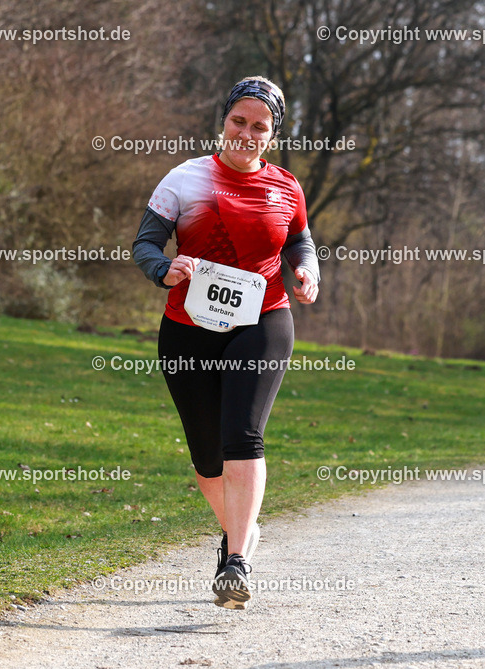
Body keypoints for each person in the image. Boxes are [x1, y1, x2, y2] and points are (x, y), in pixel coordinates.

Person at [133, 76, 320, 609]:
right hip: (188, 327)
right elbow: (145, 243)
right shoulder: (185, 179)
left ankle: (236, 560)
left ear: (272, 134)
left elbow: (301, 240)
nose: (246, 132)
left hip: (262, 320)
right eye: (239, 121)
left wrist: (306, 271)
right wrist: (164, 269)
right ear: (224, 121)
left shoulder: (287, 186)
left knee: (243, 435)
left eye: (259, 126)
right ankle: (243, 532)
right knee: (206, 457)